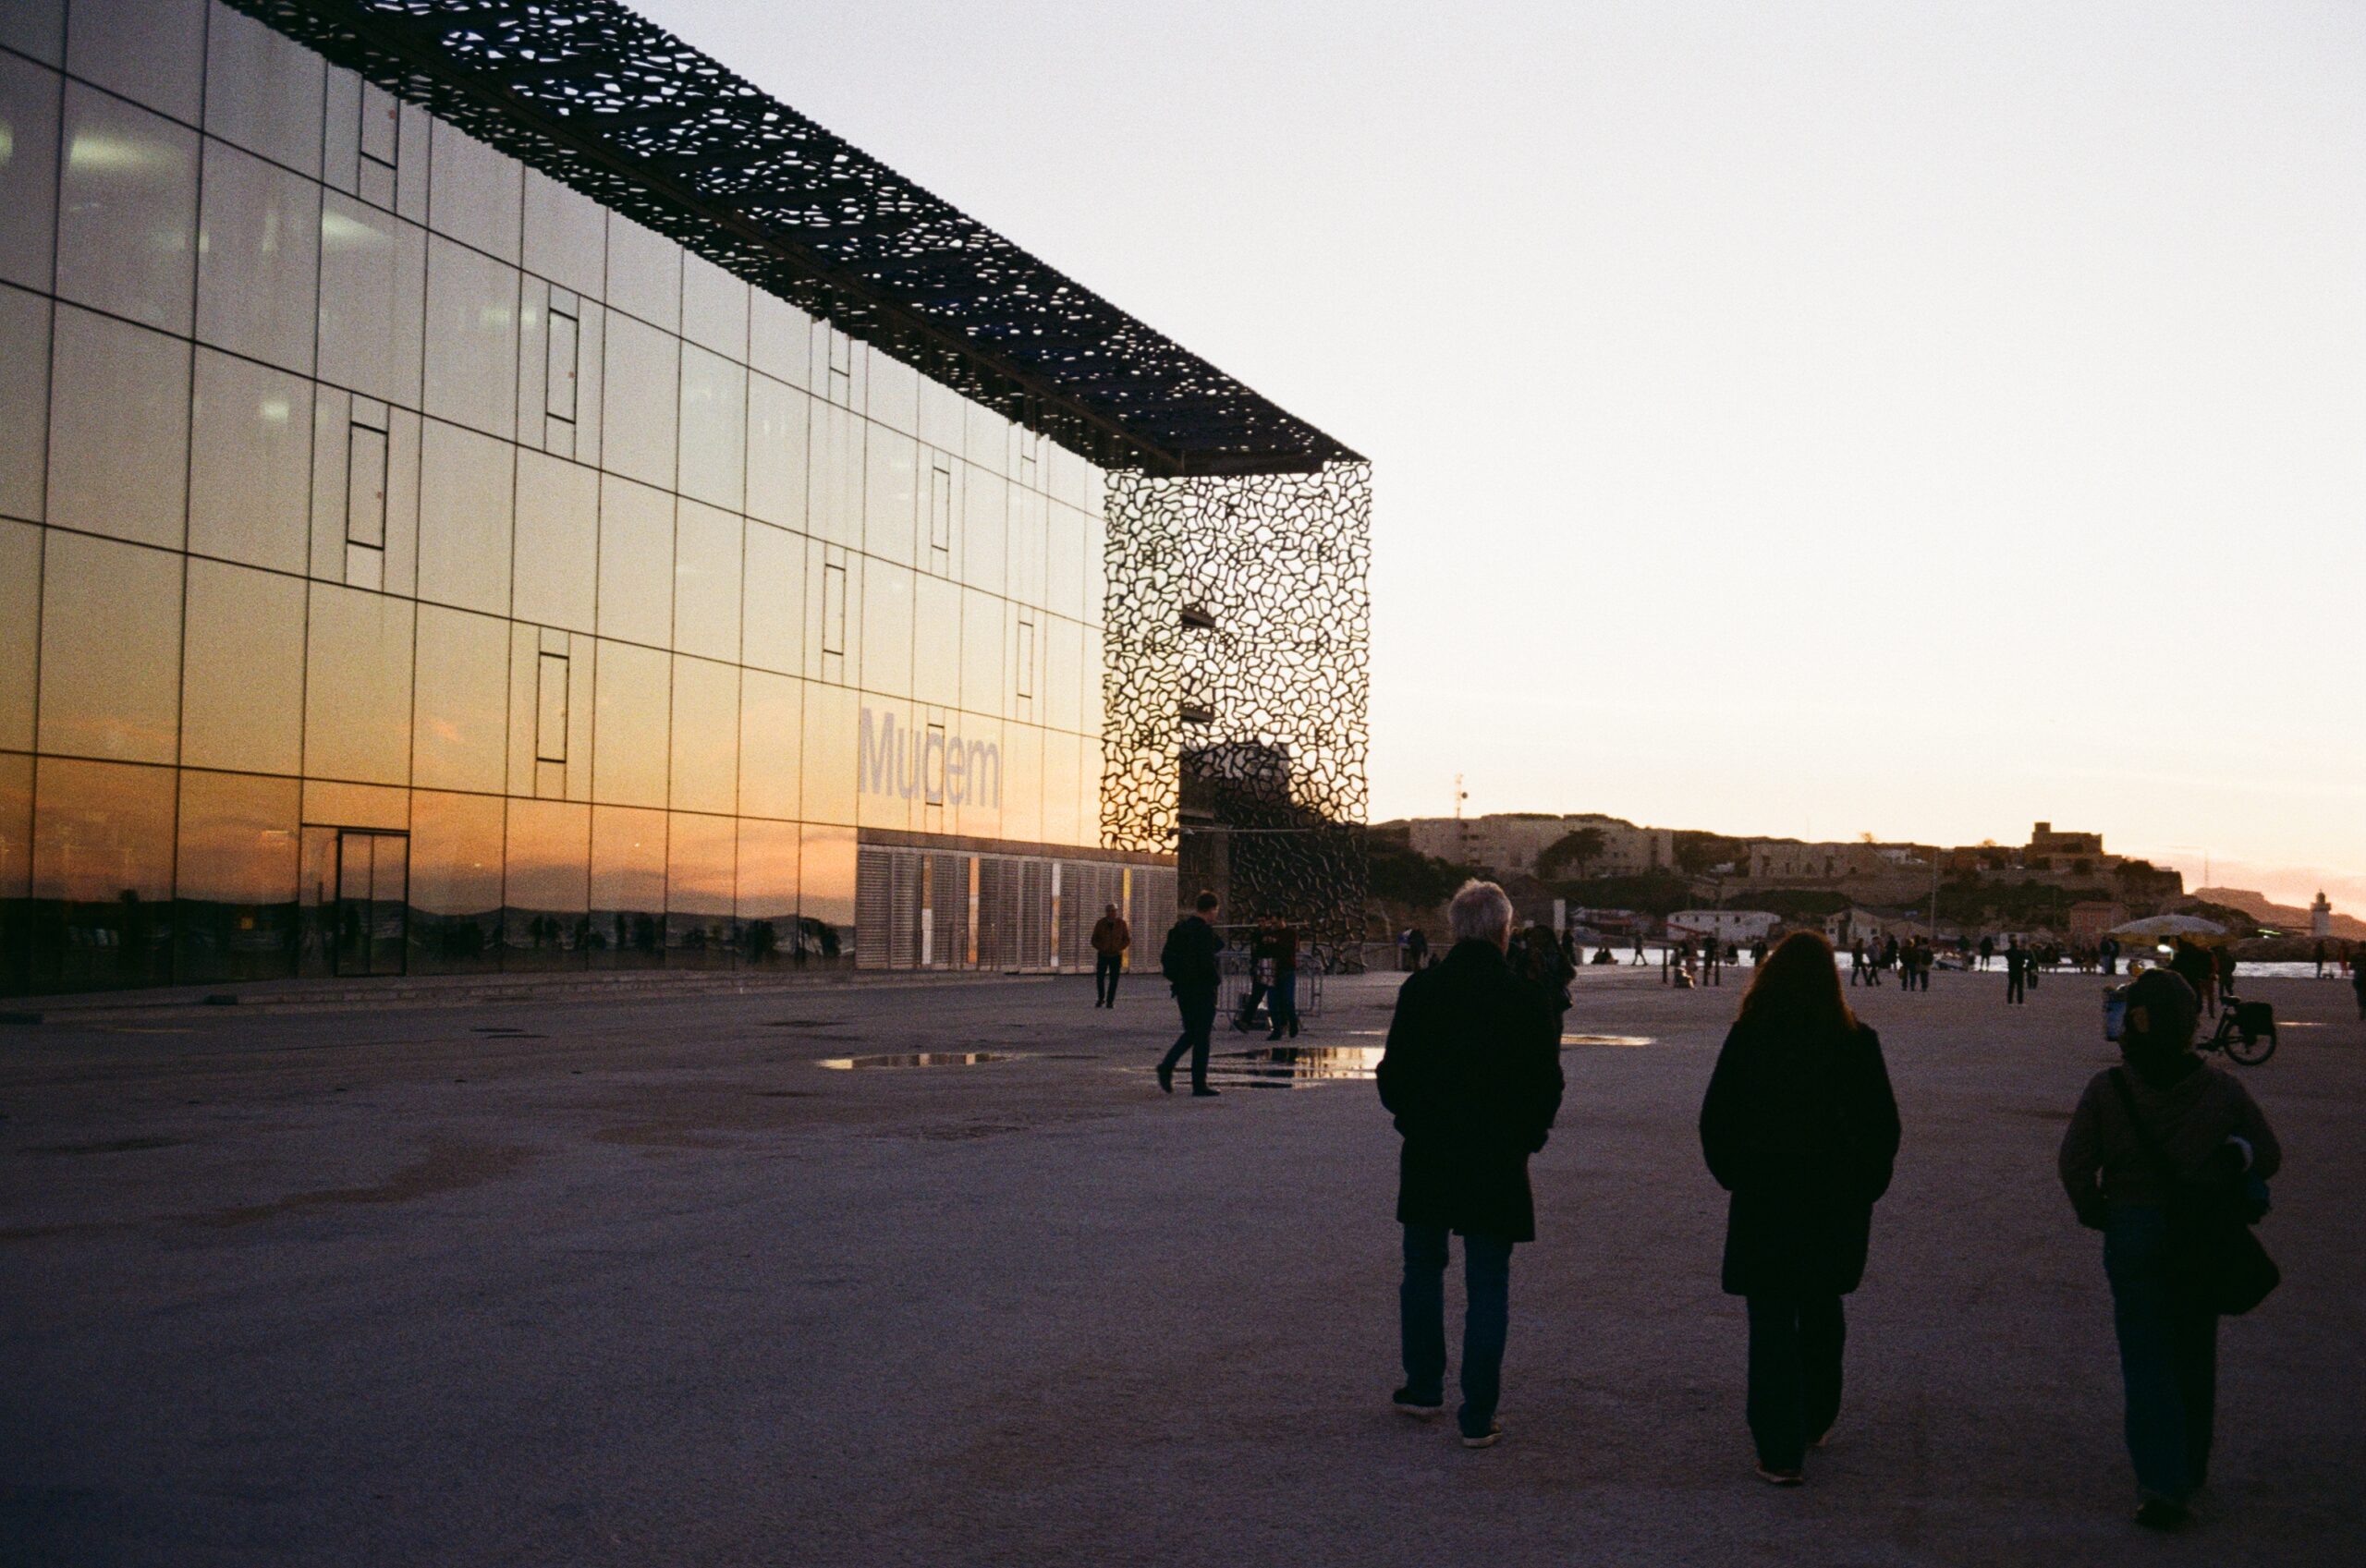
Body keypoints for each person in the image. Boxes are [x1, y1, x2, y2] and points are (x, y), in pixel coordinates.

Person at [2058, 969, 2282, 1530]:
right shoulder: (2223, 1088)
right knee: (2193, 1346)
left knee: (2146, 1357)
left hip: (2131, 1229)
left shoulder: (2107, 1090)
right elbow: (2270, 1153)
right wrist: (2233, 1157)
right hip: (2198, 1231)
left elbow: (2075, 1164)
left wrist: (2097, 1212)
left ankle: (2161, 1483)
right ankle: (2191, 1463)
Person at [1699, 930, 1901, 1487]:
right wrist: (1864, 1188)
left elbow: (1716, 1118)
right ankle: (1816, 1416)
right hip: (1832, 1203)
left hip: (1765, 1198)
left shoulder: (1749, 1037)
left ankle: (1779, 1447)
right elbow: (1883, 1129)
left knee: (1769, 1322)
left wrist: (1734, 1176)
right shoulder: (1858, 1041)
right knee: (1820, 1307)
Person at [1375, 881, 1564, 1449]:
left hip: (1431, 1150)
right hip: (1497, 1157)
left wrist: (1412, 1120)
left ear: (1454, 928)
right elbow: (1546, 1086)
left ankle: (1424, 1385)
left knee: (1423, 1270)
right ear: (1505, 931)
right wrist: (1527, 1139)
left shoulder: (1422, 990)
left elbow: (1392, 1076)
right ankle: (1478, 1413)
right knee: (1488, 1282)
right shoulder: (1528, 999)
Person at [1156, 892, 1225, 1097]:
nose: (1216, 915)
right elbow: (1207, 960)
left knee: (1192, 1032)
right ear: (1211, 909)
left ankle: (1168, 1066)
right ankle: (1197, 1083)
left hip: (1183, 988)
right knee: (1201, 1035)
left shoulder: (1182, 929)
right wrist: (1215, 980)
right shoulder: (1202, 932)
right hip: (1201, 989)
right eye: (1216, 911)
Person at [1090, 903, 1130, 1009]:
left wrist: (1119, 947)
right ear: (1106, 912)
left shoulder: (1121, 924)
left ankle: (1110, 1001)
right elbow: (1094, 939)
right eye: (1109, 911)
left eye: (1114, 911)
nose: (1112, 913)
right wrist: (1101, 947)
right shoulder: (1100, 923)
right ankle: (1101, 998)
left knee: (1114, 979)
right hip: (1103, 954)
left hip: (1116, 955)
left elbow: (1126, 939)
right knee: (1100, 977)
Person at [1266, 918, 1301, 1040]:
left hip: (1287, 970)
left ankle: (1292, 1023)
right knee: (1272, 1002)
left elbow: (1291, 948)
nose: (1273, 925)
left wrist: (1275, 942)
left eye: (1275, 923)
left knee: (1288, 1000)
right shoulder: (1270, 932)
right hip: (1273, 970)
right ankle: (1277, 1029)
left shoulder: (1291, 933)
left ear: (1282, 920)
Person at [2006, 938, 2027, 1004]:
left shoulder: (2007, 952)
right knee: (2020, 987)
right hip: (2019, 970)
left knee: (2011, 986)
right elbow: (2024, 958)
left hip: (2012, 970)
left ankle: (2009, 1001)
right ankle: (2020, 1001)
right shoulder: (2020, 952)